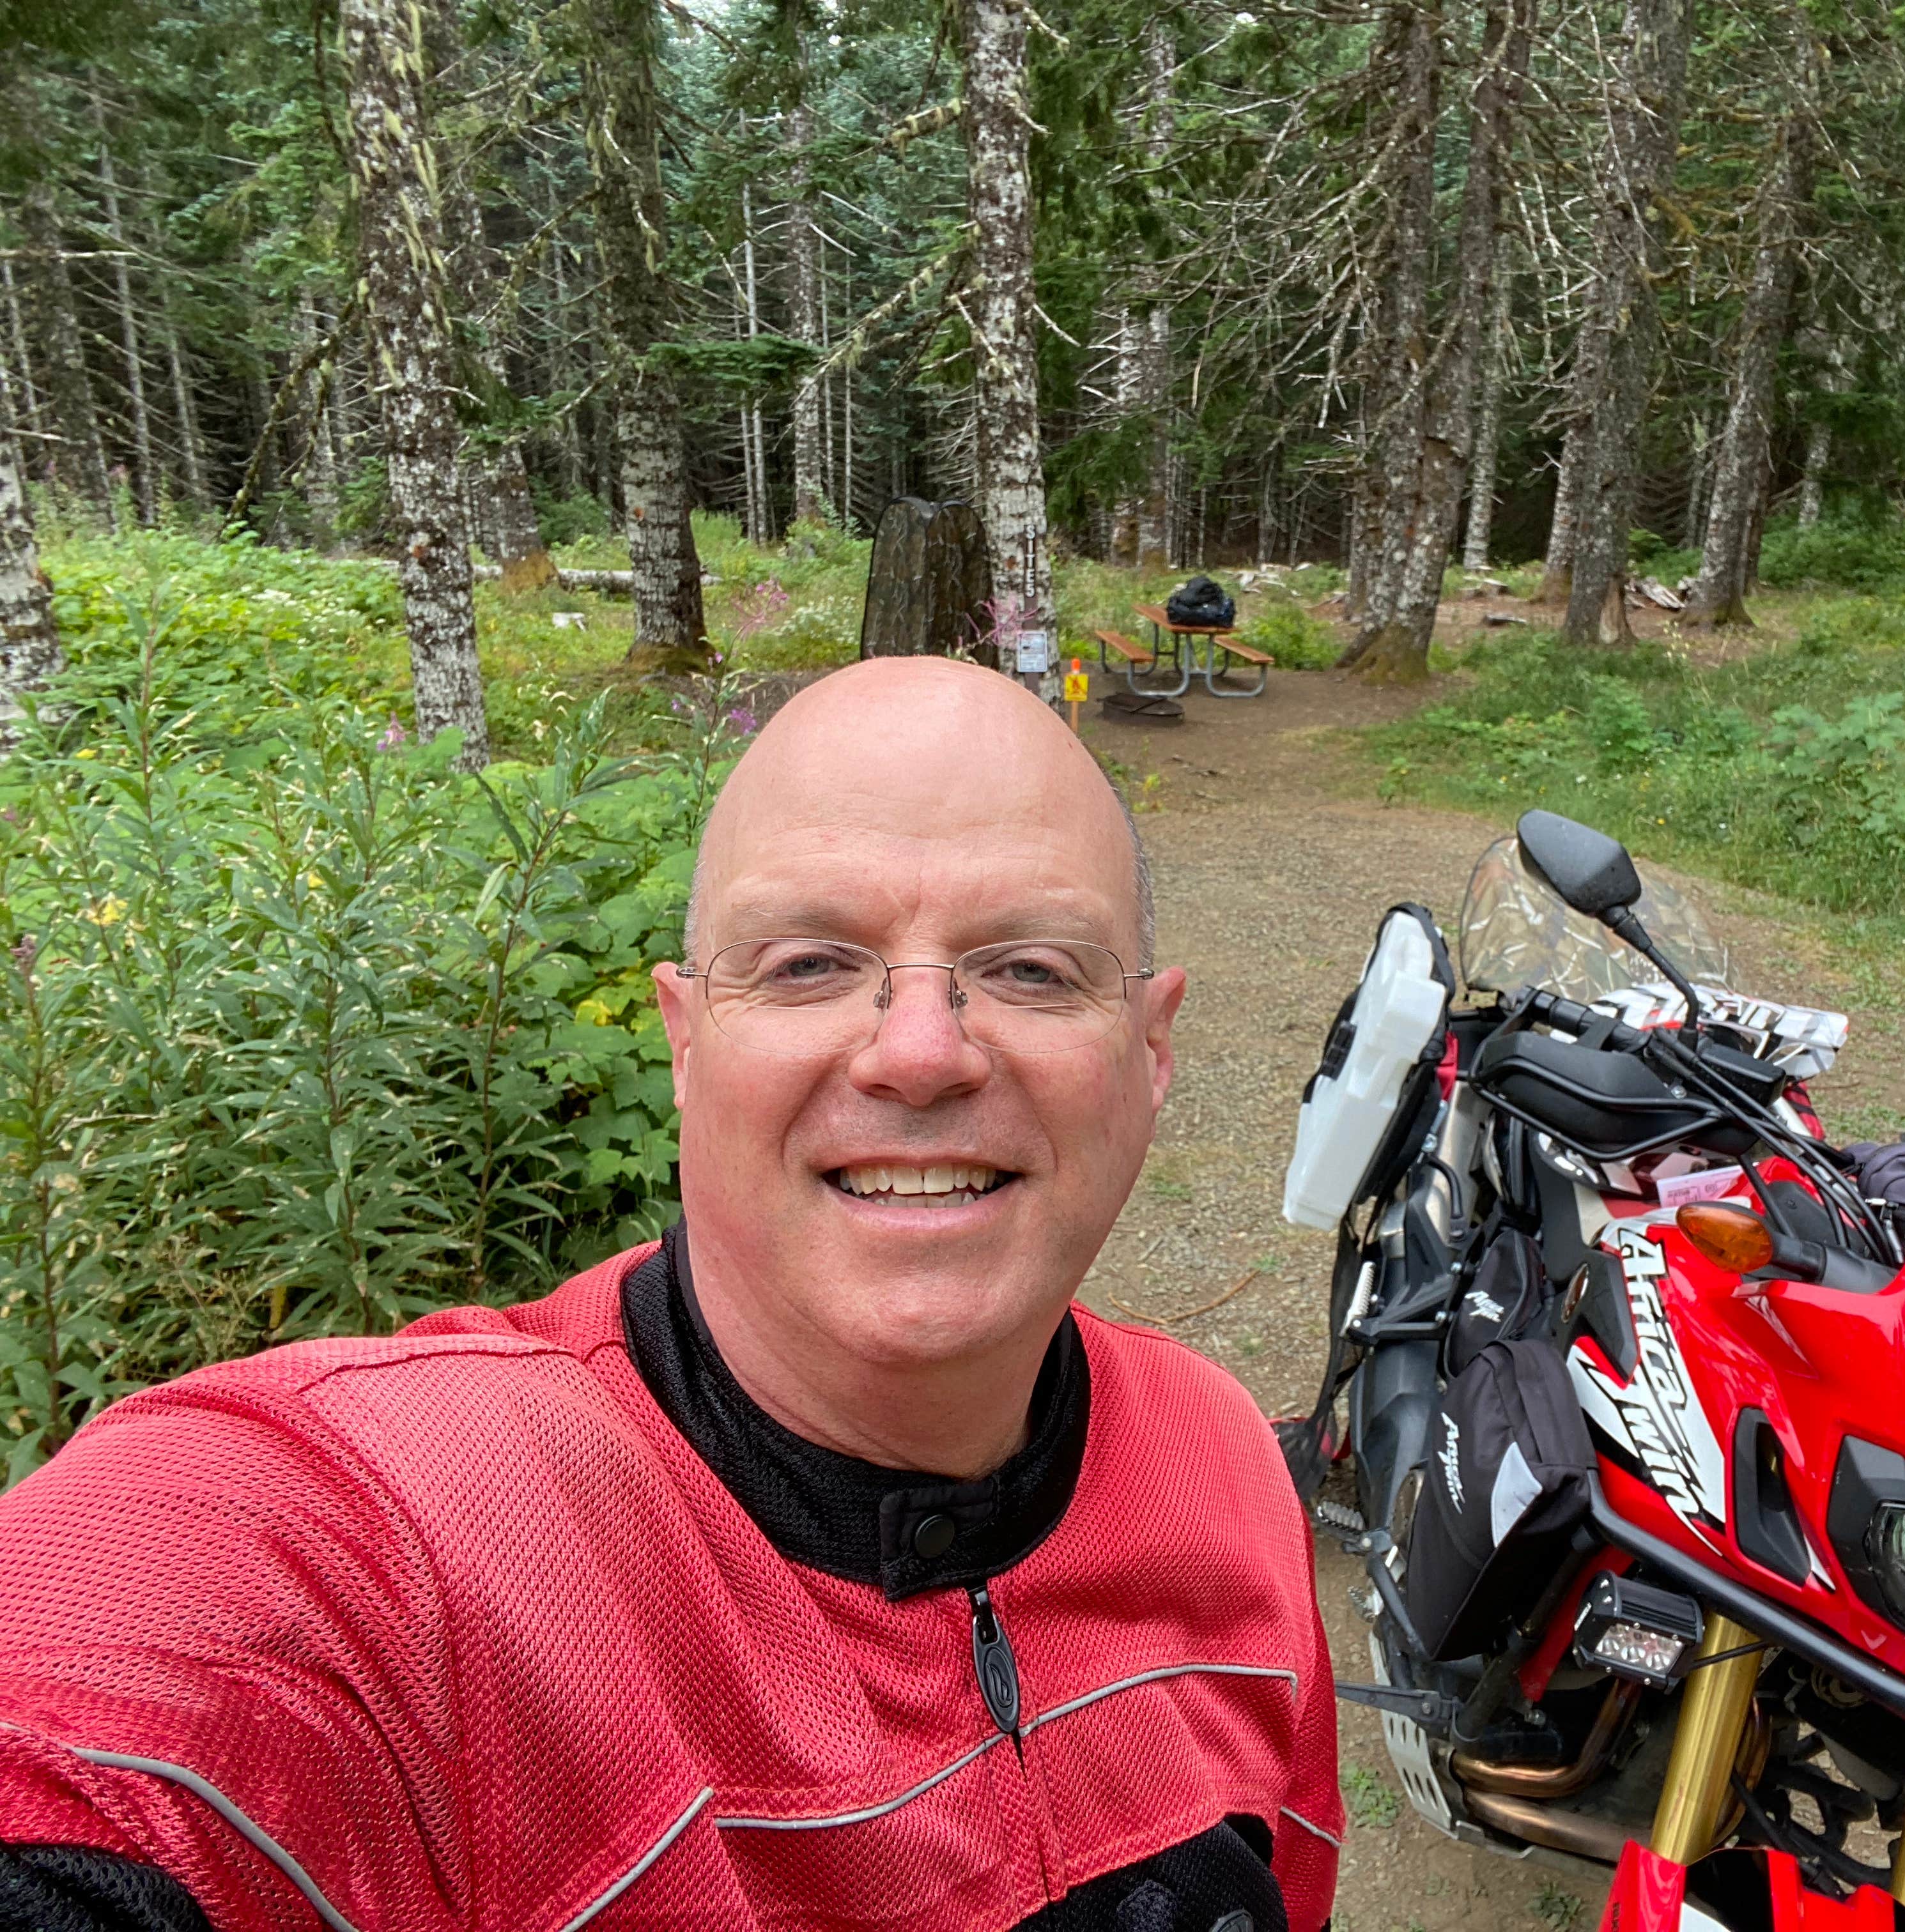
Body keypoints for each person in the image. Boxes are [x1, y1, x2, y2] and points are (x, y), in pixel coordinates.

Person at [0, 658, 1341, 1932]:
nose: (922, 1053)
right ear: (687, 1041)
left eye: (1032, 970)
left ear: (1152, 1048)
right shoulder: (404, 1539)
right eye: (810, 963)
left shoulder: (1222, 1466)